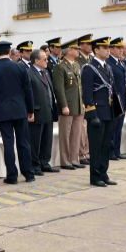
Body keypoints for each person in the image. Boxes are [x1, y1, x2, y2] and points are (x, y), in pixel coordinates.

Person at [0, 39, 36, 185]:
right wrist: (30, 109)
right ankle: (29, 174)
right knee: (24, 143)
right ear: (9, 51)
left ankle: (12, 176)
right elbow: (28, 90)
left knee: (8, 143)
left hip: (3, 112)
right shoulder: (20, 68)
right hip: (20, 109)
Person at [82, 36, 121, 187]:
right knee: (96, 146)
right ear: (96, 50)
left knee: (106, 145)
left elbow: (112, 90)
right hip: (97, 113)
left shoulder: (108, 67)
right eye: (104, 48)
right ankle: (95, 176)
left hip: (109, 111)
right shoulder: (89, 68)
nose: (107, 50)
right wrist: (92, 115)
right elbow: (87, 94)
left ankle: (104, 173)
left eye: (108, 47)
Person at [52, 39, 85, 170]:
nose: (78, 51)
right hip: (67, 105)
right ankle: (65, 160)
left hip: (77, 104)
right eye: (75, 49)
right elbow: (59, 88)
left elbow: (79, 87)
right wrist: (63, 105)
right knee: (65, 134)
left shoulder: (76, 65)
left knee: (77, 133)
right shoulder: (60, 67)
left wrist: (82, 102)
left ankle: (74, 158)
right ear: (68, 51)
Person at [27, 49, 59, 175]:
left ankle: (45, 162)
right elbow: (29, 94)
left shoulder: (45, 72)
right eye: (44, 59)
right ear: (36, 60)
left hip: (48, 110)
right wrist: (31, 110)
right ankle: (35, 165)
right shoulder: (29, 73)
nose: (47, 61)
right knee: (36, 140)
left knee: (47, 139)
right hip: (37, 111)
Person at [107, 37, 126, 161]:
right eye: (119, 48)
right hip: (115, 100)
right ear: (112, 49)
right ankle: (111, 151)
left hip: (122, 99)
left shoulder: (120, 62)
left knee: (119, 127)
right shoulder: (110, 63)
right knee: (113, 127)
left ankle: (117, 150)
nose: (121, 50)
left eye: (122, 48)